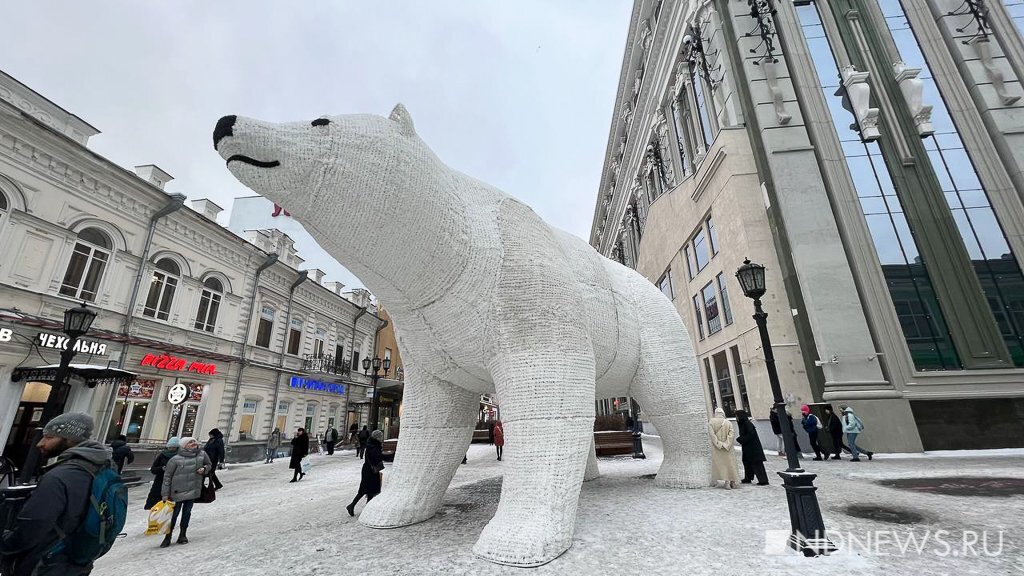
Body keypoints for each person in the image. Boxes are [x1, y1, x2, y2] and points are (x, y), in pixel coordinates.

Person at [0, 413, 112, 576]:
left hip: (43, 563)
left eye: (49, 437)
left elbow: (33, 526)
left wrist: (6, 545)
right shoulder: (100, 469)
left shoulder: (59, 477)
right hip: (76, 559)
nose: (40, 443)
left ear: (69, 439)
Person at [160, 437, 211, 548]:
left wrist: (204, 469)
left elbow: (209, 465)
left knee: (187, 513)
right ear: (183, 446)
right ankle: (167, 536)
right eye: (190, 442)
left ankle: (183, 535)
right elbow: (167, 477)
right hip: (176, 492)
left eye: (194, 441)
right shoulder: (175, 459)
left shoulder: (202, 454)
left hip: (192, 490)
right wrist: (165, 494)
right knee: (173, 515)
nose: (193, 443)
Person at [346, 430, 385, 516]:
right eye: (381, 437)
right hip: (370, 471)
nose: (382, 438)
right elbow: (376, 458)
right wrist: (388, 456)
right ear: (377, 438)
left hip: (369, 470)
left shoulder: (372, 445)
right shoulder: (374, 446)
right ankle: (351, 506)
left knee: (370, 490)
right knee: (365, 490)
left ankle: (366, 507)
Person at [144, 437, 179, 510]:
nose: (171, 449)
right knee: (155, 507)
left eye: (173, 447)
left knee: (168, 508)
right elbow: (153, 469)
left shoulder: (179, 456)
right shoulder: (162, 455)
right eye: (170, 447)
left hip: (173, 484)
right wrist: (161, 468)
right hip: (159, 482)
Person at [735, 410, 768, 485]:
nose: (736, 418)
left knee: (756, 464)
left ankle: (763, 480)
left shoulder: (747, 423)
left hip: (753, 448)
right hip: (747, 448)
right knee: (747, 462)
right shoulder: (743, 424)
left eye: (737, 416)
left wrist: (741, 439)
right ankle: (748, 477)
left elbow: (751, 434)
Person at [708, 408, 739, 489]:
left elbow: (712, 435)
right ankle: (733, 482)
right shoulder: (728, 422)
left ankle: (726, 482)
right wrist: (727, 444)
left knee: (722, 465)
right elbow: (731, 435)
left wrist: (718, 444)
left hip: (717, 449)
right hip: (728, 449)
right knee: (731, 464)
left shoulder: (711, 422)